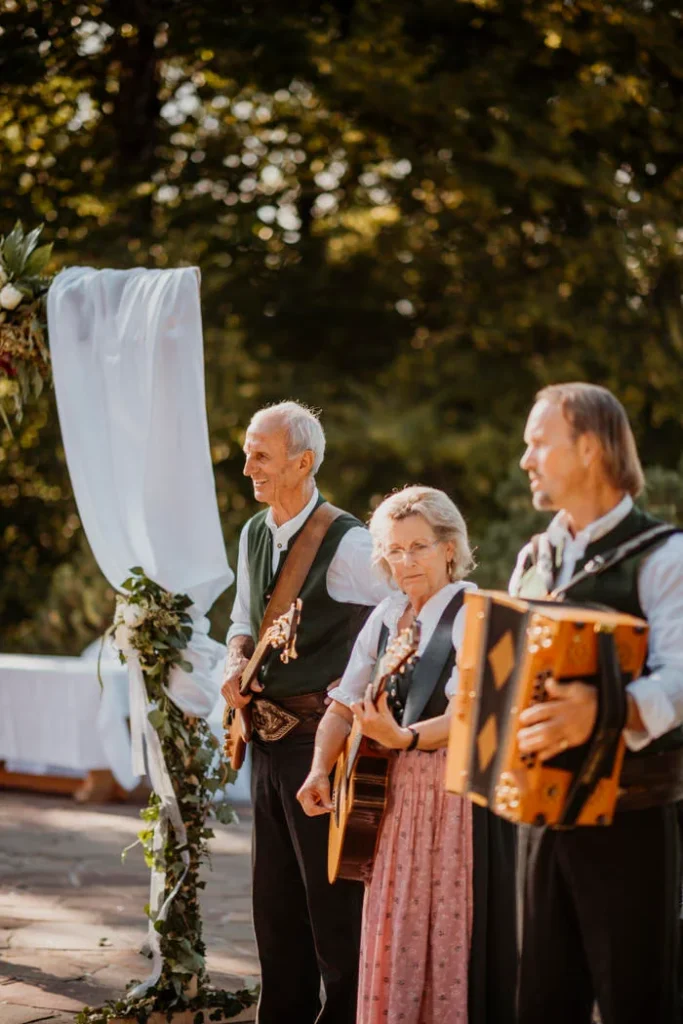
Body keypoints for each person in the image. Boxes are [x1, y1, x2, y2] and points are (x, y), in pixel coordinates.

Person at [298, 485, 517, 1024]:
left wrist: (407, 739)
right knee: (392, 925)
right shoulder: (387, 615)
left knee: (443, 927)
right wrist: (319, 767)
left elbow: (476, 713)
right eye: (394, 551)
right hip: (390, 804)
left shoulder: (472, 614)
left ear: (449, 547)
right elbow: (344, 704)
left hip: (450, 802)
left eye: (417, 547)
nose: (404, 562)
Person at [510, 382, 683, 1024]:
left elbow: (679, 679)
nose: (526, 459)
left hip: (630, 820)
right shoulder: (534, 558)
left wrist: (603, 713)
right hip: (536, 817)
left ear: (587, 448)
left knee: (637, 1000)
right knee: (540, 1002)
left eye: (538, 443)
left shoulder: (664, 556)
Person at [221, 401, 390, 1024]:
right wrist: (236, 660)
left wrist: (355, 695)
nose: (247, 468)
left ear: (304, 461)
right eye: (247, 452)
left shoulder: (351, 545)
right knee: (275, 906)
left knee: (333, 907)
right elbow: (243, 619)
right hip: (263, 743)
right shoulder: (253, 533)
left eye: (260, 455)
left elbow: (404, 621)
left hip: (322, 745)